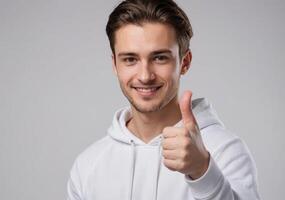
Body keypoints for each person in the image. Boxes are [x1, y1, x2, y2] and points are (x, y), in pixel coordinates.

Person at [67, 0, 260, 199]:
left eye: (159, 58)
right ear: (115, 65)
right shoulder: (88, 165)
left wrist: (203, 171)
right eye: (130, 59)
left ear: (184, 62)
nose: (145, 75)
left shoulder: (225, 150)